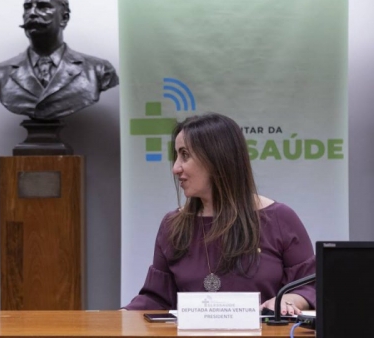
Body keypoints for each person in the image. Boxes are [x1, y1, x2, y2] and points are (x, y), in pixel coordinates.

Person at [124, 113, 315, 316]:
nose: (175, 168)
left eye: (185, 155)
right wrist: (115, 318)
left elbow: (311, 285)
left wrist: (290, 299)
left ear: (217, 158)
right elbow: (157, 298)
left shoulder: (279, 219)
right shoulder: (172, 225)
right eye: (176, 155)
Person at [0, 0, 119, 121]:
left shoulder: (99, 70)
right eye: (27, 7)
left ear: (64, 18)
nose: (32, 13)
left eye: (43, 6)